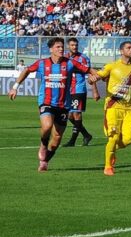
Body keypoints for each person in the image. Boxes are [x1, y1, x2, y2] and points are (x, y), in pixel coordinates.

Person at [7, 37, 91, 171]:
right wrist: (15, 86)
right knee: (47, 126)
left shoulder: (70, 63)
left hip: (63, 104)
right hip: (46, 101)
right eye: (58, 47)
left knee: (57, 137)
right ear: (51, 49)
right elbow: (27, 70)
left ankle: (45, 161)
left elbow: (88, 70)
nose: (61, 49)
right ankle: (43, 145)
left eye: (62, 47)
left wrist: (98, 76)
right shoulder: (42, 63)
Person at [87, 40, 131, 175]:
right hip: (113, 107)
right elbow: (96, 76)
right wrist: (92, 80)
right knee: (113, 137)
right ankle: (108, 167)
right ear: (122, 51)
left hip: (130, 109)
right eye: (129, 48)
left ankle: (111, 151)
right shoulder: (111, 66)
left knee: (128, 140)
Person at [63, 37, 100, 147]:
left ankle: (72, 141)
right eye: (72, 45)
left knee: (76, 114)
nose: (74, 47)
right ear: (68, 46)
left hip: (78, 89)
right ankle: (86, 135)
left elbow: (90, 74)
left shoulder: (83, 58)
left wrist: (95, 91)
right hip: (67, 90)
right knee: (69, 116)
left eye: (76, 45)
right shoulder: (64, 58)